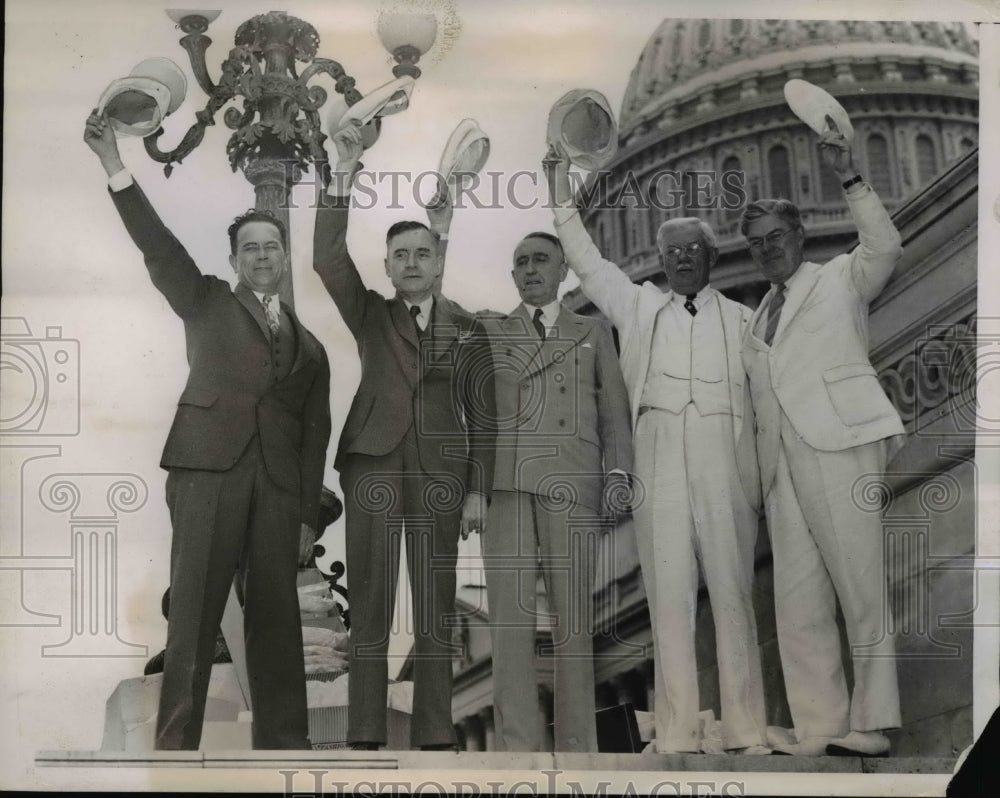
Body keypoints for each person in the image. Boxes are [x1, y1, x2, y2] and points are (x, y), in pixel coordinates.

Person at [84, 110, 331, 750]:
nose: (261, 256)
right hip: (207, 471)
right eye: (248, 247)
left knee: (276, 619)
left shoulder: (313, 349)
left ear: (284, 256)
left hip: (278, 489)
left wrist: (307, 511)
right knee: (192, 612)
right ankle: (174, 748)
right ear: (234, 258)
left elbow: (316, 436)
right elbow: (157, 246)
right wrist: (116, 166)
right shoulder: (206, 300)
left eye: (270, 246)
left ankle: (286, 749)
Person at [544, 144, 768, 755]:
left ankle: (746, 727)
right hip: (659, 459)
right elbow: (588, 264)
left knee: (732, 595)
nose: (681, 262)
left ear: (711, 258)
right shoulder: (639, 305)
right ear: (660, 262)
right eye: (671, 254)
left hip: (724, 456)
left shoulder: (745, 321)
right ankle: (675, 729)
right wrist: (560, 194)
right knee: (669, 599)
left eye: (692, 252)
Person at [313, 123, 496, 751]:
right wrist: (341, 177)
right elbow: (325, 258)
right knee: (370, 600)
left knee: (436, 604)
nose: (411, 263)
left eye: (422, 253)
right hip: (373, 466)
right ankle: (365, 733)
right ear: (387, 267)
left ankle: (437, 735)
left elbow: (486, 415)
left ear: (438, 260)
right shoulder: (370, 314)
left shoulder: (469, 327)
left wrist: (477, 493)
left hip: (444, 476)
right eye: (400, 256)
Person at [739, 116, 904, 757]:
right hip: (783, 465)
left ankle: (876, 722)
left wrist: (850, 175)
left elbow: (886, 247)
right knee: (798, 602)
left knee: (860, 587)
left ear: (800, 234)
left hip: (841, 444)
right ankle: (821, 726)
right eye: (756, 242)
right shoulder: (758, 316)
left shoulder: (840, 277)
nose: (768, 248)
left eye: (777, 236)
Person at [472, 229, 632, 752]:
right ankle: (519, 749)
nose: (531, 269)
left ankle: (578, 747)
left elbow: (613, 413)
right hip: (509, 485)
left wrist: (619, 474)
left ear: (564, 271)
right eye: (521, 263)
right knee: (510, 625)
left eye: (542, 260)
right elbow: (473, 415)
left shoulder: (594, 330)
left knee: (575, 623)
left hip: (573, 480)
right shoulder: (491, 331)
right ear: (513, 275)